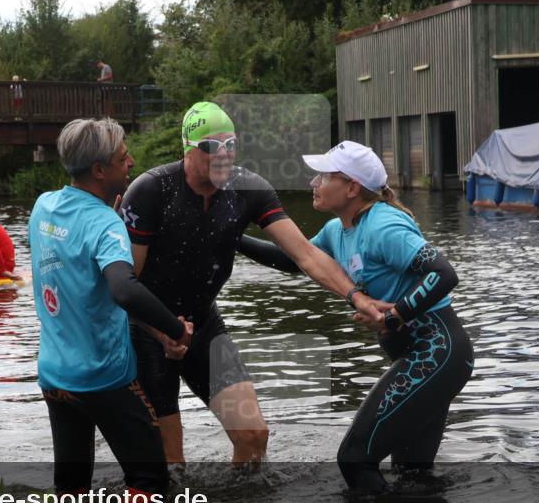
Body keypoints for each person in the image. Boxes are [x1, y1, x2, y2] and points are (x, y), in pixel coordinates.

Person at [119, 102, 384, 466]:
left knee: (253, 436)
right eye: (212, 147)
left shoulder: (248, 189)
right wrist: (162, 329)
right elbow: (125, 283)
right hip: (147, 330)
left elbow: (304, 255)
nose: (224, 154)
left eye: (231, 144)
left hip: (203, 323)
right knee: (170, 459)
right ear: (187, 149)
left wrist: (356, 297)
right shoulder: (151, 190)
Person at [237, 141, 474, 492]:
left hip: (437, 354)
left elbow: (443, 274)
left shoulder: (383, 226)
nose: (313, 184)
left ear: (351, 188)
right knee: (413, 476)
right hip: (420, 359)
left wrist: (395, 316)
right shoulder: (338, 230)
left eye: (323, 176)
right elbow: (293, 260)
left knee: (354, 459)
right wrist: (232, 238)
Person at [29, 117, 193, 500]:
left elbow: (73, 266)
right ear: (100, 170)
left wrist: (106, 219)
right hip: (102, 378)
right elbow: (123, 289)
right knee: (151, 484)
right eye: (123, 158)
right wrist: (174, 328)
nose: (132, 162)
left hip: (54, 376)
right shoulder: (105, 224)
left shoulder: (43, 208)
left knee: (72, 488)